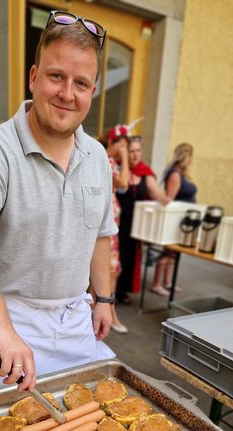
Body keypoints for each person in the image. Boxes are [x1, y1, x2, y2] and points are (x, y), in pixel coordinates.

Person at [0, 10, 117, 392]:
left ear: (93, 90)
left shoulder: (98, 157)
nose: (67, 94)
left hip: (76, 321)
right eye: (57, 76)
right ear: (35, 77)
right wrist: (2, 330)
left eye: (81, 83)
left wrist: (103, 298)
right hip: (11, 325)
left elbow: (101, 233)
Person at [116, 135, 166, 304]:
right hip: (117, 222)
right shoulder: (119, 169)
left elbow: (158, 195)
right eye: (131, 151)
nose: (135, 155)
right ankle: (110, 291)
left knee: (130, 258)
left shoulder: (145, 173)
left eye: (138, 151)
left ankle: (122, 291)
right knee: (116, 258)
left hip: (135, 225)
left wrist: (169, 203)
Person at [152, 142, 197, 296]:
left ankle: (168, 282)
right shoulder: (176, 174)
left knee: (173, 253)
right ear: (187, 156)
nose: (192, 159)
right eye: (191, 155)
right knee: (168, 252)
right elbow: (170, 197)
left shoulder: (182, 173)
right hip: (175, 220)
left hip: (182, 220)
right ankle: (157, 284)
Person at [106, 124, 130, 333]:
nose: (125, 147)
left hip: (111, 225)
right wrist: (126, 157)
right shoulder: (108, 160)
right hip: (107, 226)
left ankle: (105, 311)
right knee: (110, 270)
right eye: (122, 143)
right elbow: (124, 183)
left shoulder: (110, 161)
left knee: (109, 270)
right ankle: (110, 313)